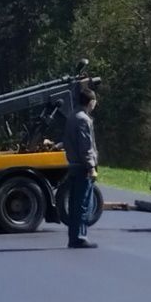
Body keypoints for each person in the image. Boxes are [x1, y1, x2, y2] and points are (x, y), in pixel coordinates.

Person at [63, 85, 100, 249]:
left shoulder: (72, 116)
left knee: (74, 203)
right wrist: (91, 167)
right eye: (94, 101)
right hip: (82, 167)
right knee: (83, 204)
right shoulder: (83, 119)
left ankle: (73, 236)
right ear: (90, 102)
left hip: (72, 165)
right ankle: (80, 236)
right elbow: (85, 146)